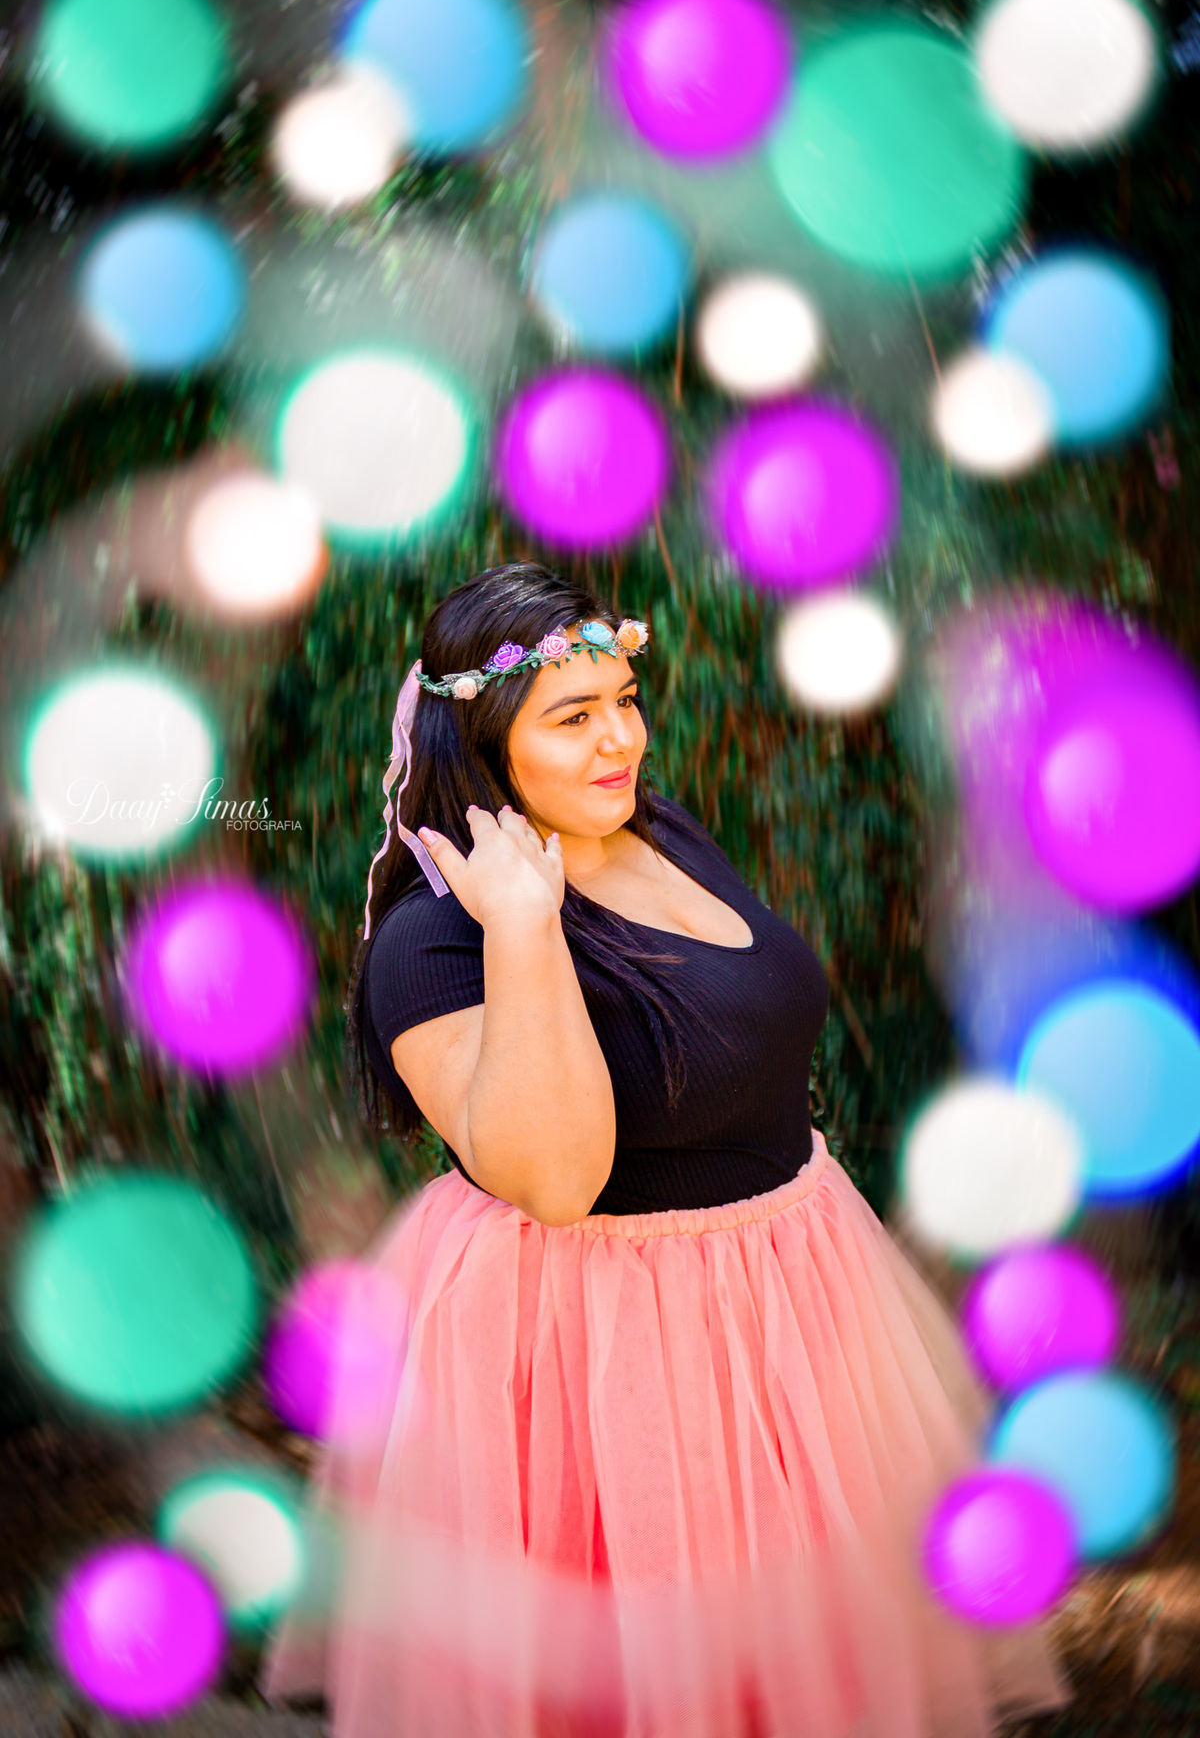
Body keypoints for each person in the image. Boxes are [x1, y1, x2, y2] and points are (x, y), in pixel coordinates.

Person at [264, 561, 1070, 1737]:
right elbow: (554, 1181)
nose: (621, 741)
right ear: (481, 743)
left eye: (626, 700)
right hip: (601, 1348)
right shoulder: (434, 945)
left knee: (806, 1671)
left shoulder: (657, 828)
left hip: (788, 1287)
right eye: (573, 717)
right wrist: (526, 923)